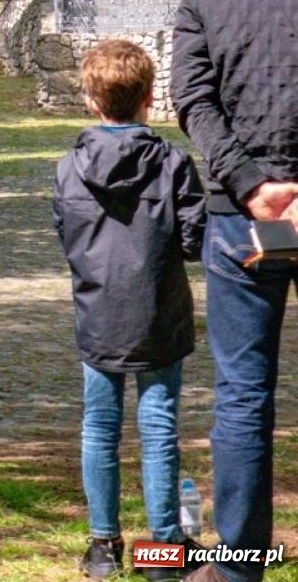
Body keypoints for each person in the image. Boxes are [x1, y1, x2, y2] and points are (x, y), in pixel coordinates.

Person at [172, 0, 298, 582]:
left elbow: (194, 100)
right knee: (244, 391)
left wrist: (253, 184)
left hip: (240, 215)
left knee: (245, 393)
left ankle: (239, 563)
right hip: (251, 203)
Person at [55, 40, 205, 580]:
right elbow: (194, 239)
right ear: (148, 98)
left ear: (92, 100)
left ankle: (102, 546)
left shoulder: (69, 167)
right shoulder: (171, 164)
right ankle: (163, 549)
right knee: (158, 428)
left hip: (99, 311)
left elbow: (67, 234)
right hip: (157, 310)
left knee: (100, 427)